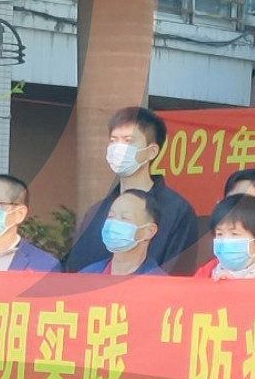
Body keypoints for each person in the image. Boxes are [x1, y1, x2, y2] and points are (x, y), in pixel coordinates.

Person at [65, 106, 199, 273]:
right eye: (113, 140)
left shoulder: (177, 212)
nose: (118, 148)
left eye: (128, 141)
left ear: (152, 151)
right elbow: (74, 271)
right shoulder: (95, 213)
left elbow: (179, 276)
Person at [193, 193, 255, 281]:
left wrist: (236, 288)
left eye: (234, 234)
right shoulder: (204, 275)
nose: (225, 241)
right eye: (220, 234)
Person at [79, 189, 161, 277]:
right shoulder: (86, 276)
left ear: (149, 231)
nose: (114, 223)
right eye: (111, 216)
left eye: (125, 218)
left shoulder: (158, 281)